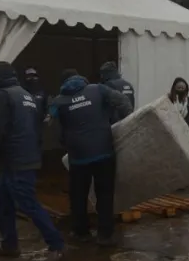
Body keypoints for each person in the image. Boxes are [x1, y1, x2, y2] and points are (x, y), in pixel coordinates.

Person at [0, 61, 65, 261]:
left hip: (17, 160)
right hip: (23, 157)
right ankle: (9, 245)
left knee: (29, 204)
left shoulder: (3, 96)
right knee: (3, 204)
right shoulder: (24, 94)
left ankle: (57, 246)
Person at [49, 68, 133, 247]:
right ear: (81, 79)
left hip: (78, 157)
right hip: (104, 152)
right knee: (105, 194)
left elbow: (52, 126)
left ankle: (81, 232)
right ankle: (105, 235)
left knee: (78, 195)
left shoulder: (58, 101)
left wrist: (66, 141)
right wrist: (126, 124)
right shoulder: (98, 89)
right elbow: (123, 101)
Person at [22, 67, 48, 149]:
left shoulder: (42, 92)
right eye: (29, 76)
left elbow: (46, 106)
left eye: (34, 76)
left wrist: (47, 115)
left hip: (38, 125)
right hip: (24, 126)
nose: (33, 79)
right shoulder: (22, 92)